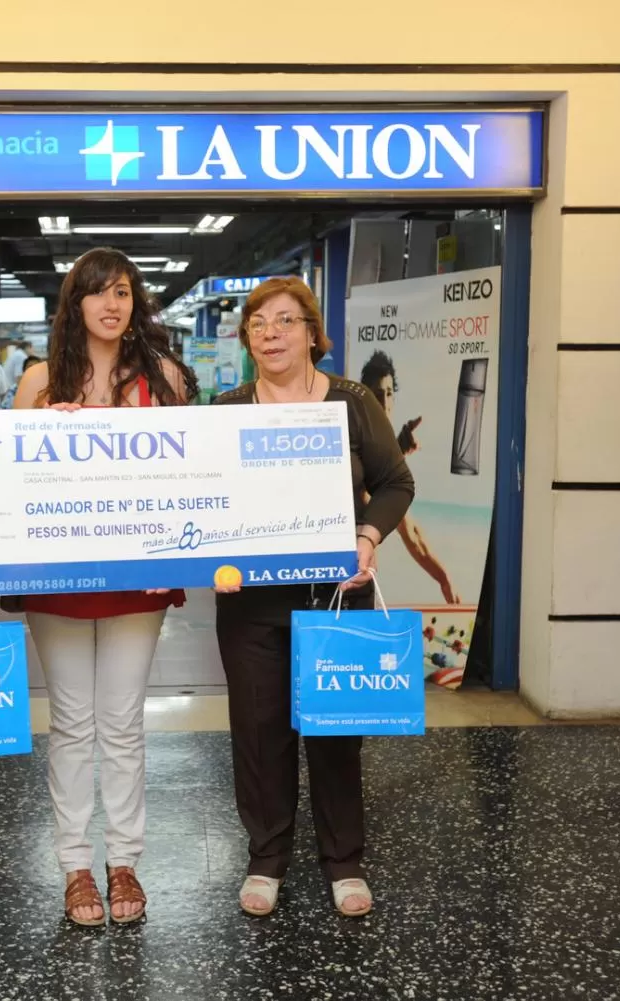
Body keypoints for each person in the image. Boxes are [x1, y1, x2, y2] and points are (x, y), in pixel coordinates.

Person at [213, 277, 414, 920]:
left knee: (335, 735)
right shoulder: (225, 409)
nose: (270, 333)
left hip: (335, 598)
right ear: (247, 338)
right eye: (257, 323)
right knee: (259, 734)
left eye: (284, 320)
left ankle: (344, 862)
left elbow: (395, 482)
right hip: (249, 605)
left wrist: (367, 535)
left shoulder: (352, 402)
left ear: (311, 333)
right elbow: (201, 494)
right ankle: (266, 858)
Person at [14, 248, 198, 927]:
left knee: (121, 720)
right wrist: (38, 434)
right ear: (76, 304)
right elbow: (11, 480)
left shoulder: (164, 376)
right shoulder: (39, 381)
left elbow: (190, 474)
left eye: (122, 291)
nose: (111, 304)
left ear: (135, 301)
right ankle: (74, 866)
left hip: (138, 575)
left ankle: (124, 861)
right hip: (58, 576)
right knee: (72, 721)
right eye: (97, 292)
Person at [360, 350, 461, 604]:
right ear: (365, 397)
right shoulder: (353, 441)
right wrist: (398, 453)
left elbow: (411, 533)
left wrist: (444, 579)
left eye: (389, 393)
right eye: (377, 394)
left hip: (364, 584)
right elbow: (363, 501)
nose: (384, 402)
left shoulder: (384, 455)